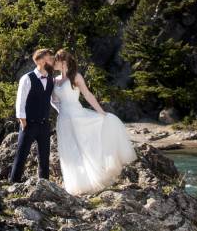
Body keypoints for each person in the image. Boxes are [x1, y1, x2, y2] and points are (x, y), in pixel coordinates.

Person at [52, 48, 137, 195]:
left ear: (63, 61)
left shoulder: (76, 76)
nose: (54, 62)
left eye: (56, 59)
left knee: (86, 146)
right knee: (69, 151)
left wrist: (101, 112)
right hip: (63, 119)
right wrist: (60, 110)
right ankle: (76, 186)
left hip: (78, 115)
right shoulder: (55, 80)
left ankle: (92, 181)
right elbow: (52, 100)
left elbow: (87, 95)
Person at [8, 48, 57, 182]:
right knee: (21, 154)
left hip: (44, 124)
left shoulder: (51, 79)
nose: (52, 60)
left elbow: (52, 100)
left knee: (44, 156)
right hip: (28, 123)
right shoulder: (27, 78)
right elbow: (20, 101)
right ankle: (13, 182)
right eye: (49, 58)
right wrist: (23, 122)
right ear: (41, 61)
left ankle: (44, 183)